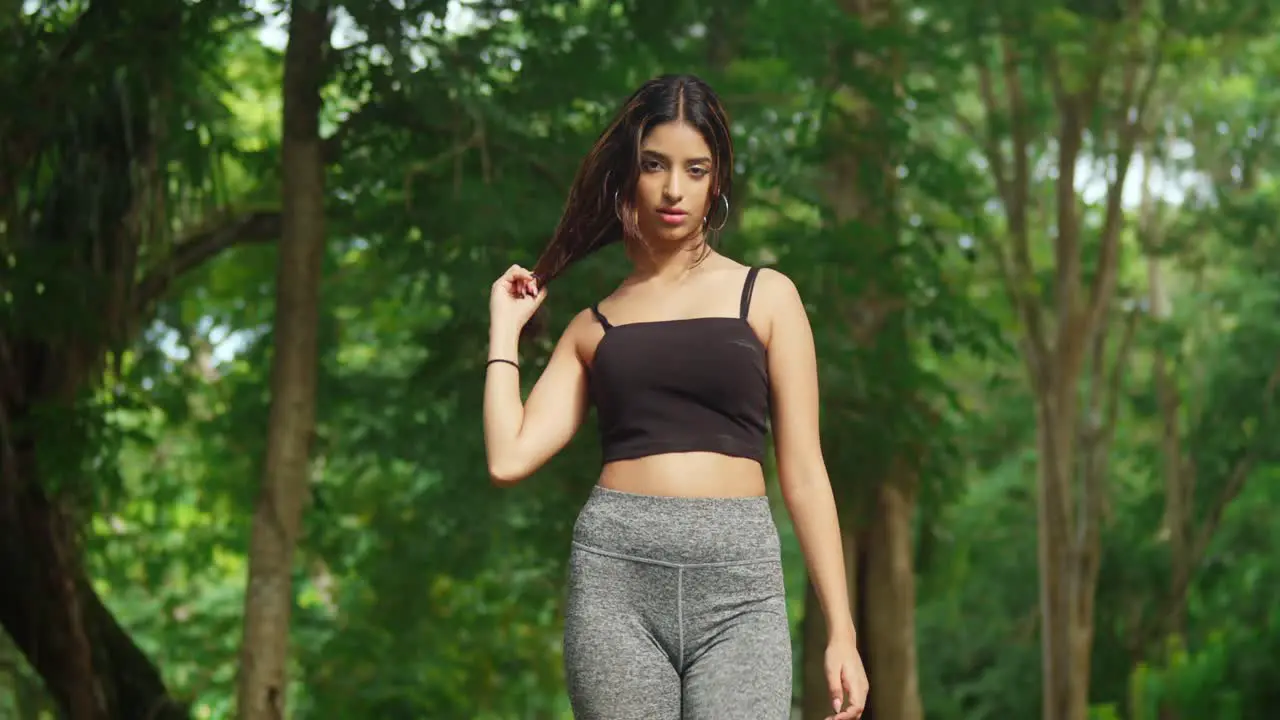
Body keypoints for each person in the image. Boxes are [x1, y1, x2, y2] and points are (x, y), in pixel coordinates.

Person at [482, 73, 869, 720]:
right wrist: (503, 330)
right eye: (655, 165)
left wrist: (843, 631)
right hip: (617, 576)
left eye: (695, 169)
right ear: (627, 175)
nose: (672, 189)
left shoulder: (767, 296)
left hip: (741, 585)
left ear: (716, 181)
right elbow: (508, 457)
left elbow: (803, 471)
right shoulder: (592, 326)